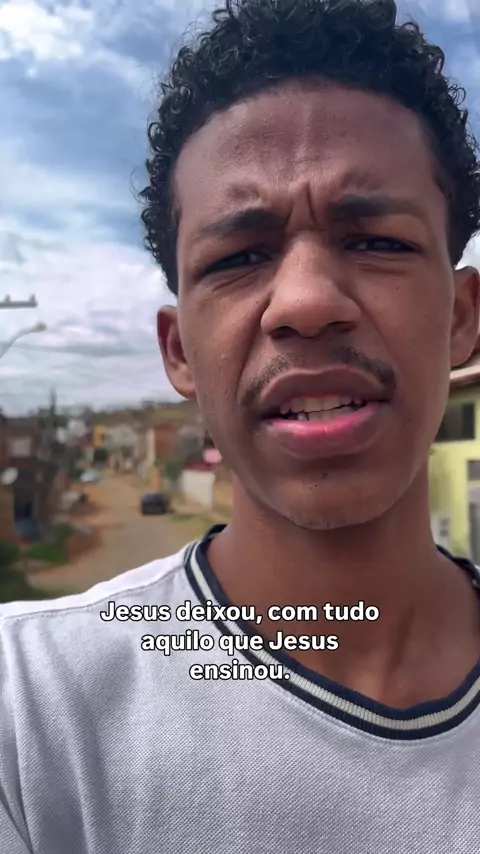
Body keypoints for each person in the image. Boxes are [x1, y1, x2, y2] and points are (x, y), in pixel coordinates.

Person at [2, 0, 480, 851]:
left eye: (376, 241)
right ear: (179, 350)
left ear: (462, 318)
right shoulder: (30, 713)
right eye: (239, 257)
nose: (306, 301)